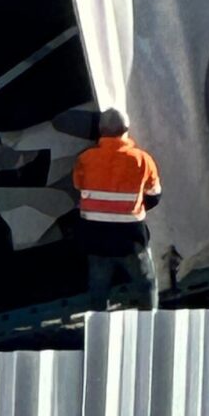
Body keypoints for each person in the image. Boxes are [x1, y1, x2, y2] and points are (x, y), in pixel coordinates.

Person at [72, 108, 162, 311]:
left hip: (95, 237)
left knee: (98, 290)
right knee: (146, 285)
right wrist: (132, 208)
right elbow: (155, 195)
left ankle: (99, 326)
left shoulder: (85, 159)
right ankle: (149, 323)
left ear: (100, 130)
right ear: (126, 129)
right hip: (130, 238)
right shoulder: (142, 160)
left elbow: (78, 187)